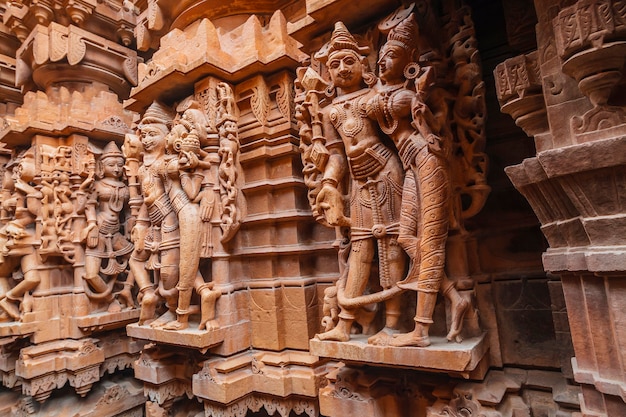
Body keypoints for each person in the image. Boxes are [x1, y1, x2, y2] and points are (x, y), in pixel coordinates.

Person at [367, 14, 468, 347]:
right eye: (381, 57)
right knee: (406, 236)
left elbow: (433, 133)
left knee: (431, 237)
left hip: (429, 161)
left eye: (391, 56)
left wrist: (421, 102)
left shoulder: (413, 93)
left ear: (407, 60)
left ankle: (421, 330)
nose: (383, 61)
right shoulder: (387, 91)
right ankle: (455, 297)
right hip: (411, 166)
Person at [314, 22, 407, 344]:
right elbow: (337, 155)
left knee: (393, 246)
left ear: (363, 64)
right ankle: (344, 323)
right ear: (328, 74)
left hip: (387, 172)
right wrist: (328, 184)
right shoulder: (330, 112)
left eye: (349, 61)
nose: (342, 68)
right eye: (335, 64)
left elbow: (399, 136)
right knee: (361, 249)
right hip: (357, 181)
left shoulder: (376, 96)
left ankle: (392, 326)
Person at [82, 142, 134, 311]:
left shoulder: (127, 188)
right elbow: (89, 205)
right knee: (91, 274)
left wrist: (131, 227)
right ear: (102, 167)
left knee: (137, 258)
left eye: (120, 165)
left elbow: (128, 211)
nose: (117, 169)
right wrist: (92, 225)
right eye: (111, 165)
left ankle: (127, 289)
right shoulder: (98, 185)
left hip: (117, 233)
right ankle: (111, 299)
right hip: (99, 232)